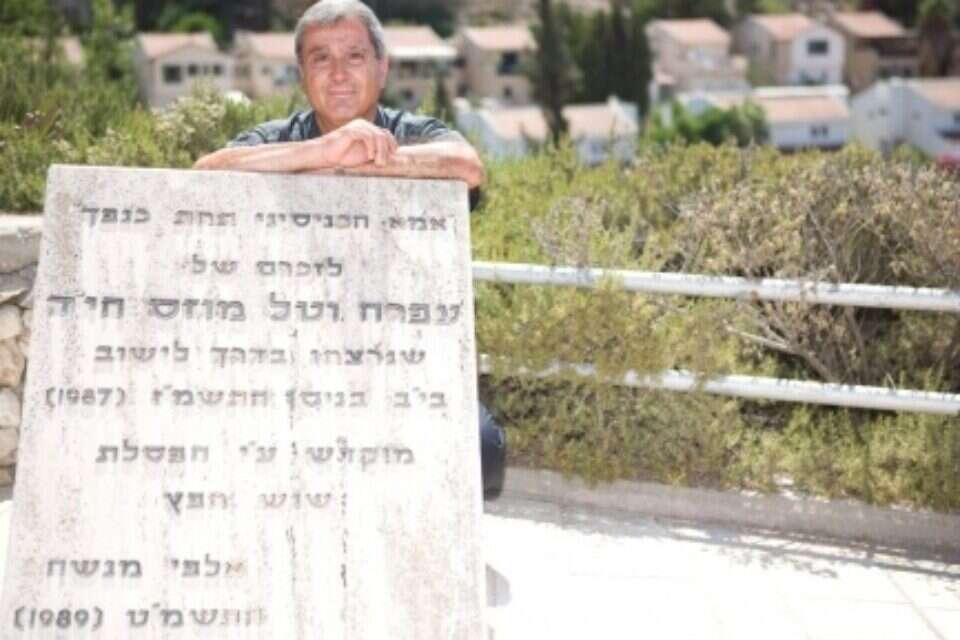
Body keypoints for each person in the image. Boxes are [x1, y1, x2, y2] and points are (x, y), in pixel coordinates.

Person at [194, 0, 505, 498]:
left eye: (354, 56)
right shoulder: (279, 138)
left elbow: (467, 166)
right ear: (302, 74)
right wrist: (322, 150)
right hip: (287, 356)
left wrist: (365, 159)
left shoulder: (412, 132)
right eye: (321, 58)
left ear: (382, 67)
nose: (338, 73)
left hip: (400, 356)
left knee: (481, 449)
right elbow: (205, 172)